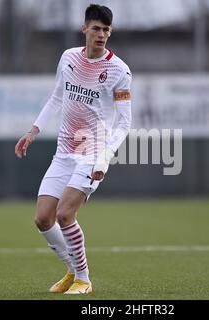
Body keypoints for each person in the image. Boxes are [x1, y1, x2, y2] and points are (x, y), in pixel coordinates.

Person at [14, 4, 132, 295]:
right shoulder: (68, 58)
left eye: (106, 29)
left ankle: (84, 279)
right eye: (96, 28)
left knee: (65, 214)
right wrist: (33, 130)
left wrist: (105, 157)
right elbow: (56, 96)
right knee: (43, 218)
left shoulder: (119, 70)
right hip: (64, 153)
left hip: (93, 154)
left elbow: (125, 122)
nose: (101, 34)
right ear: (85, 29)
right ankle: (71, 270)